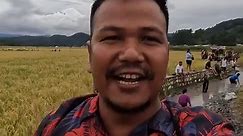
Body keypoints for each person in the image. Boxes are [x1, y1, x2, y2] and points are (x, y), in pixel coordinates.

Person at [35, 0, 235, 135]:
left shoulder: (204, 129)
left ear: (166, 56)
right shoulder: (55, 125)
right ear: (90, 55)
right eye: (112, 38)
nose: (131, 54)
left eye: (149, 38)